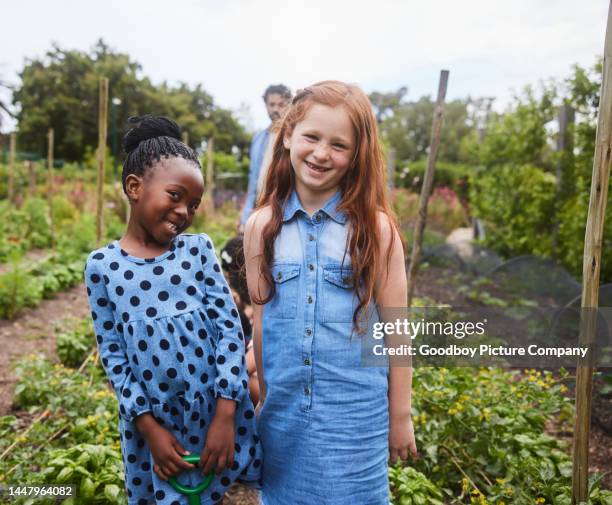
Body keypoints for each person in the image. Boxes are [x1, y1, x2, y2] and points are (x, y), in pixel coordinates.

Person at [244, 81, 417, 504]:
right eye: (312, 137)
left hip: (356, 416)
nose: (322, 153)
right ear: (287, 136)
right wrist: (262, 397)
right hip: (285, 417)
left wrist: (401, 415)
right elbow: (263, 322)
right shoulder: (261, 227)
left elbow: (397, 330)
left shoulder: (375, 230)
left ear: (357, 155)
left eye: (339, 144)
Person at [84, 116, 262, 505]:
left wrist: (226, 414)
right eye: (175, 196)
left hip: (212, 409)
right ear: (135, 187)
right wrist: (148, 428)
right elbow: (112, 354)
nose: (185, 211)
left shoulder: (197, 250)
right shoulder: (102, 267)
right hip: (156, 423)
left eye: (193, 204)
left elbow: (230, 329)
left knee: (219, 491)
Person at [239, 84, 291, 229]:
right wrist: (245, 214)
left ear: (289, 104)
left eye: (281, 104)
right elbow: (253, 178)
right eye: (271, 104)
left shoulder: (294, 136)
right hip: (259, 205)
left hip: (284, 207)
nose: (275, 109)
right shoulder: (258, 139)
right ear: (266, 105)